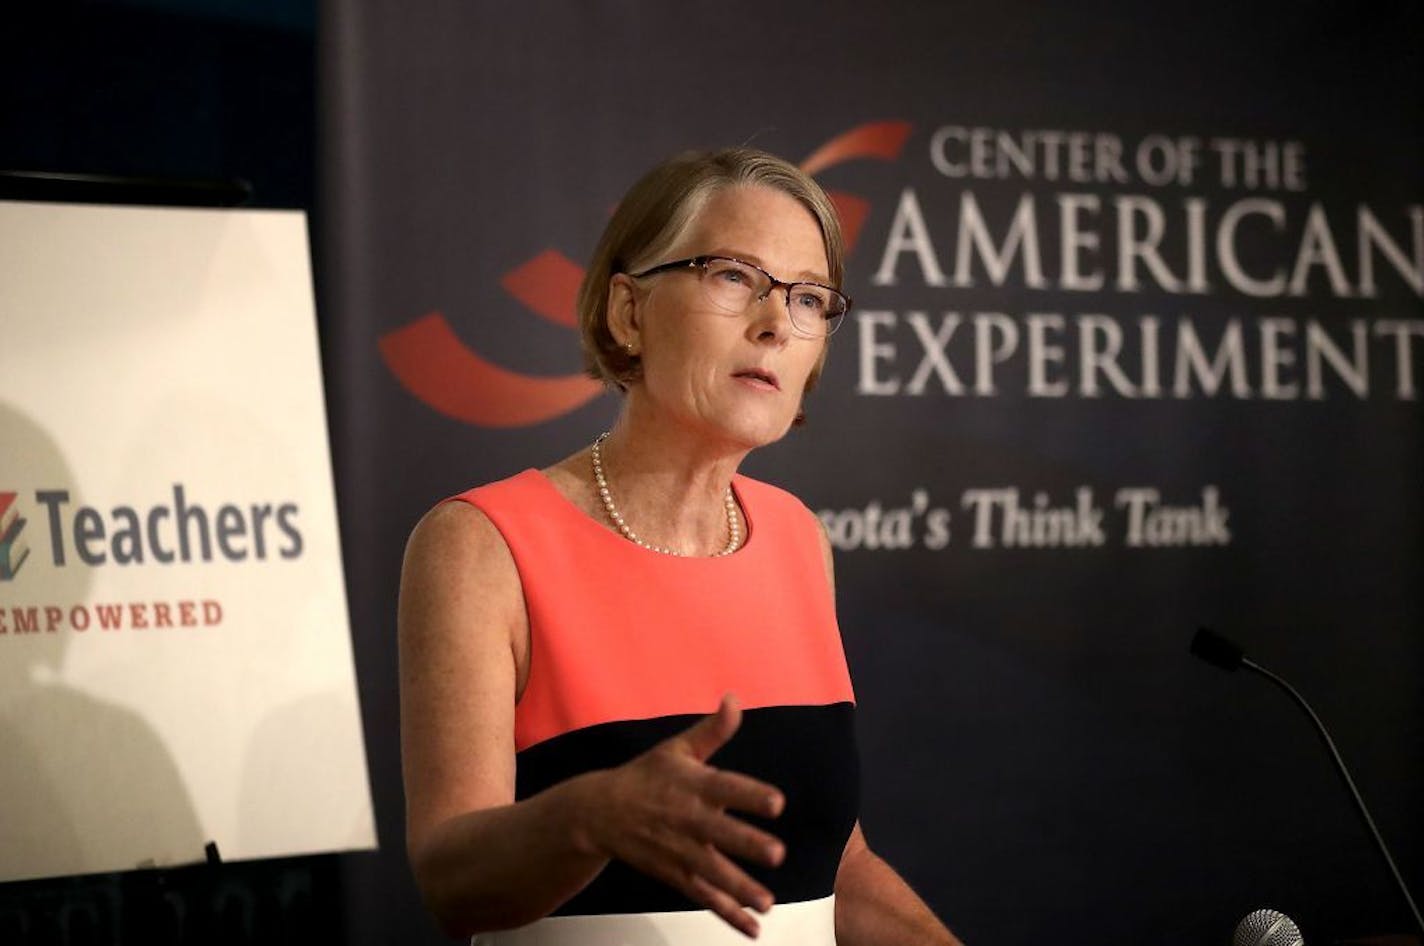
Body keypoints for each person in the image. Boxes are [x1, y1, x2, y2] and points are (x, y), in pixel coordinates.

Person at [398, 147, 964, 945]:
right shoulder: (481, 546)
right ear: (628, 312)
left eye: (809, 298)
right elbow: (450, 884)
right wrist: (589, 819)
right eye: (735, 276)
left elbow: (831, 868)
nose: (776, 324)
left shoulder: (798, 539)